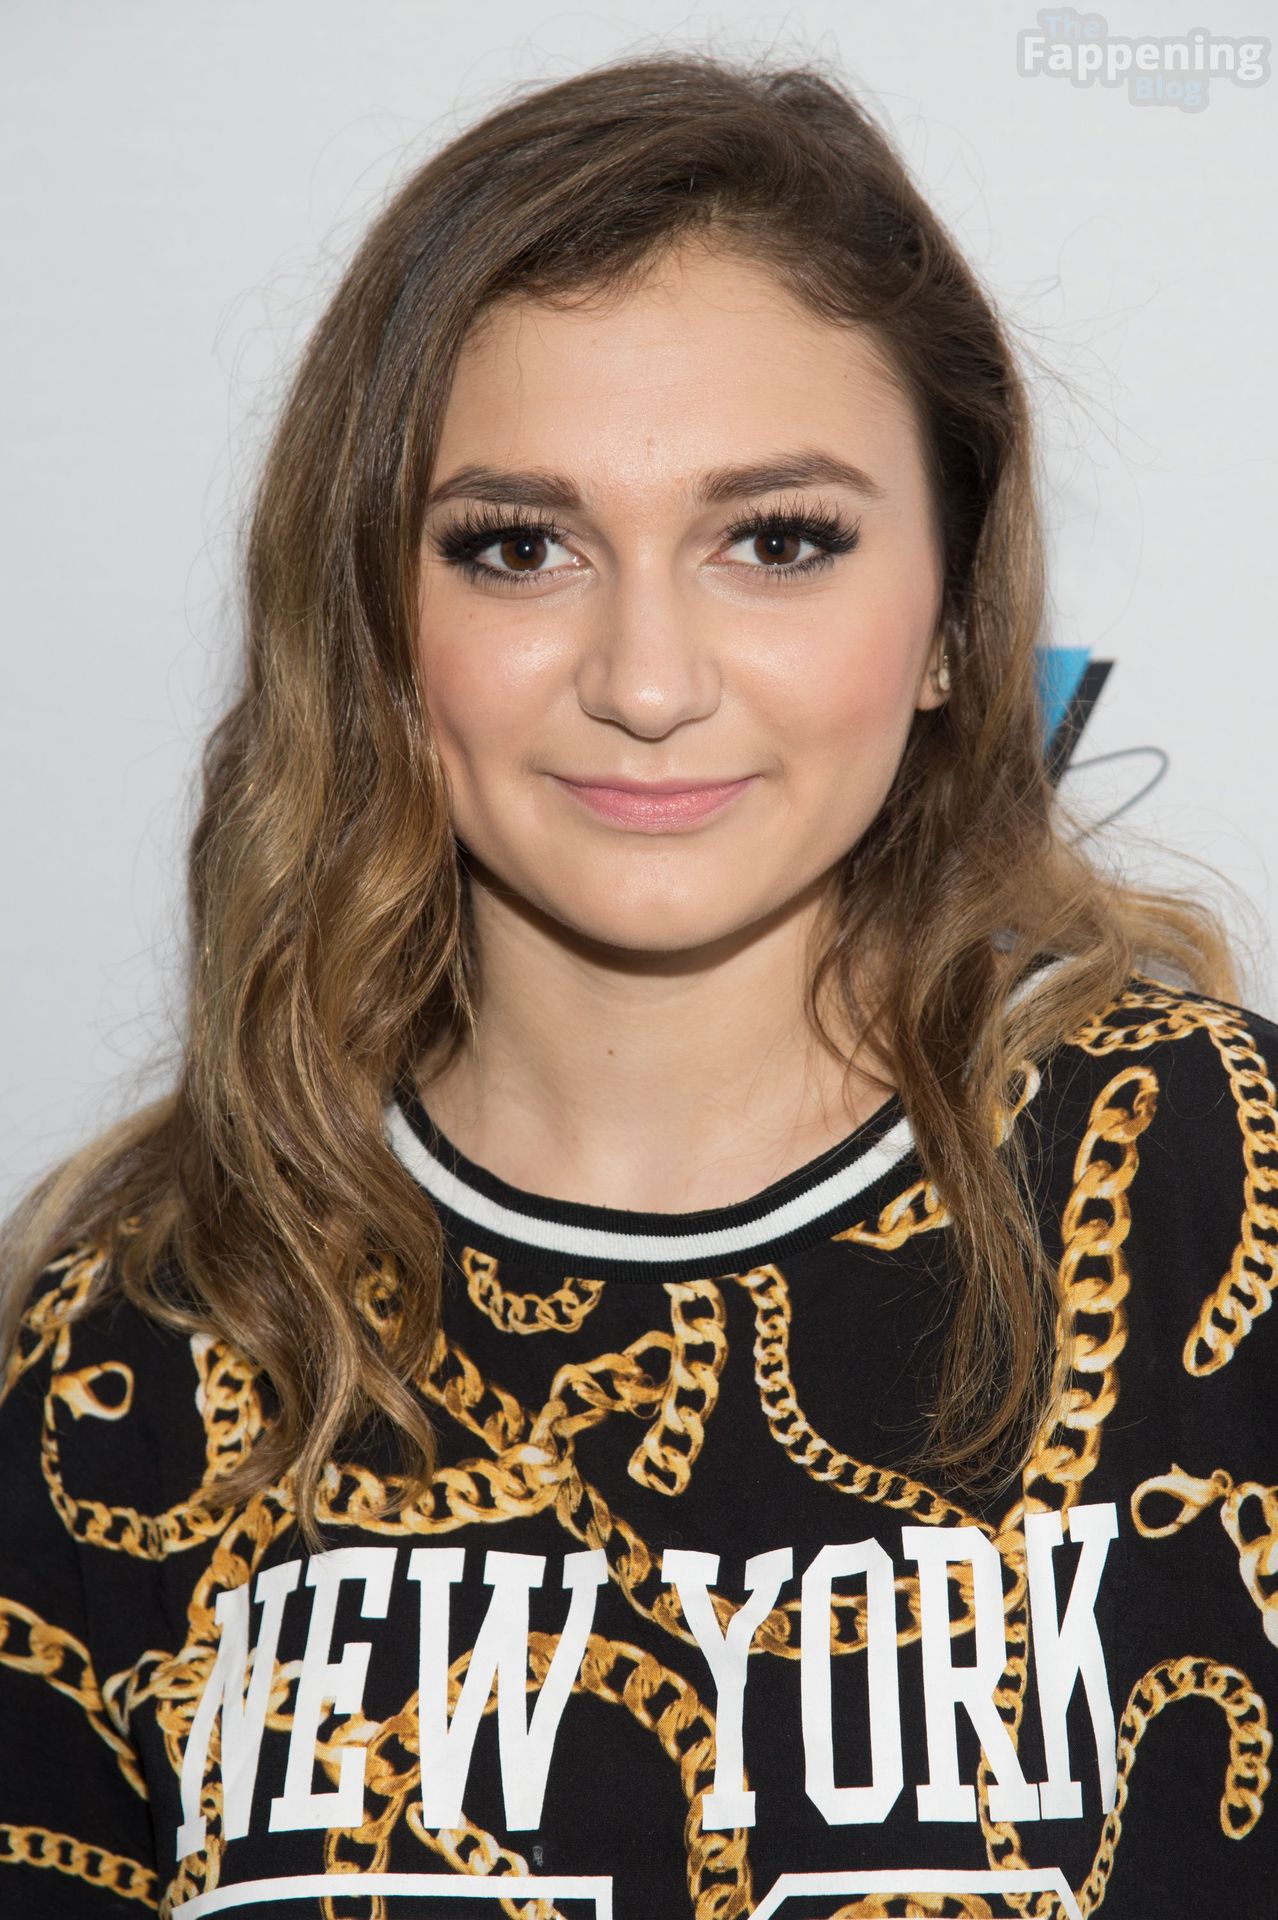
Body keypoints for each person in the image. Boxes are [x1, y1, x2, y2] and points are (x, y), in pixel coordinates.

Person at [1, 46, 1274, 1920]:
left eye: (778, 541)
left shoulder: (1219, 1194)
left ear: (950, 616)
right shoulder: (139, 1336)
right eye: (518, 548)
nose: (648, 679)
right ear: (373, 623)